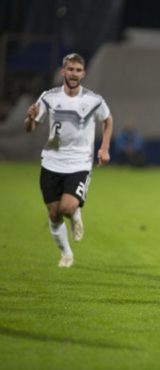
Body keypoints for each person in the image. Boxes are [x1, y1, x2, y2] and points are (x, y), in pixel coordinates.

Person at [24, 52, 113, 268]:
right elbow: (31, 127)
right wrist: (31, 118)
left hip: (79, 163)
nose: (74, 74)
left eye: (78, 70)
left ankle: (74, 212)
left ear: (84, 73)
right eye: (70, 69)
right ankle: (66, 254)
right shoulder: (49, 97)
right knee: (54, 214)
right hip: (51, 162)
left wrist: (104, 148)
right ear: (63, 71)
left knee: (67, 207)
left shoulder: (93, 100)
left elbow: (107, 119)